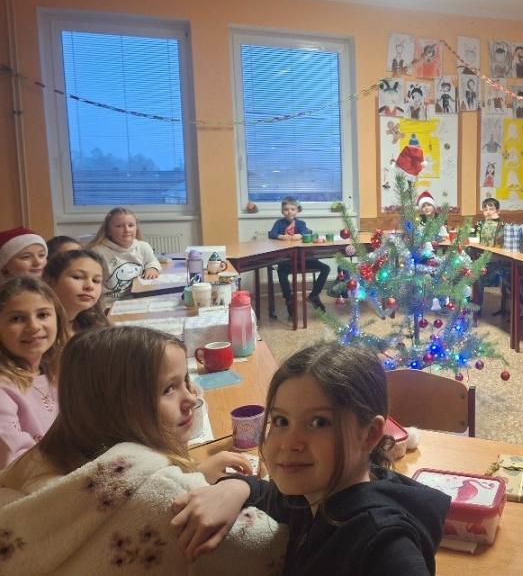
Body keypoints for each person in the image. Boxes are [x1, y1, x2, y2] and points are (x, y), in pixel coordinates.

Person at [0, 326, 285, 574]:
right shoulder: (170, 498)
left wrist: (196, 471)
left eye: (185, 382)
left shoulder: (36, 465)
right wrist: (246, 486)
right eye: (169, 389)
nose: (190, 398)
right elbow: (280, 548)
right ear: (115, 407)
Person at [171, 342, 451, 574]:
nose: (289, 443)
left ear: (369, 434)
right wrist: (237, 486)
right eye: (281, 420)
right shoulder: (308, 494)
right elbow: (272, 495)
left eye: (318, 422)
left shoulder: (383, 544)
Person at [0, 277, 68, 468]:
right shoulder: (4, 388)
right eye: (17, 319)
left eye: (43, 315)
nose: (34, 326)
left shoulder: (55, 372)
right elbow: (13, 461)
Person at [268, 196, 330, 315]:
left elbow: (307, 232)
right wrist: (281, 236)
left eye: (292, 209)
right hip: (287, 260)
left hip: (303, 259)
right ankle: (289, 299)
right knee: (281, 271)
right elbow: (272, 234)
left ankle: (314, 295)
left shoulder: (301, 223)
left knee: (325, 268)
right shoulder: (279, 223)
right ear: (282, 211)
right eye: (286, 209)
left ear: (297, 211)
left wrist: (301, 235)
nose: (289, 212)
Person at [89, 207, 161, 298]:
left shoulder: (143, 246)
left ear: (136, 228)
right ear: (108, 231)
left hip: (138, 298)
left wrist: (153, 268)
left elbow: (152, 261)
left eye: (131, 225)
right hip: (110, 301)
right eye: (119, 226)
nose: (127, 230)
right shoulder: (97, 252)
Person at [43, 249, 109, 334]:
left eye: (96, 280)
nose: (90, 286)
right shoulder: (40, 329)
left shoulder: (95, 325)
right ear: (50, 281)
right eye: (77, 277)